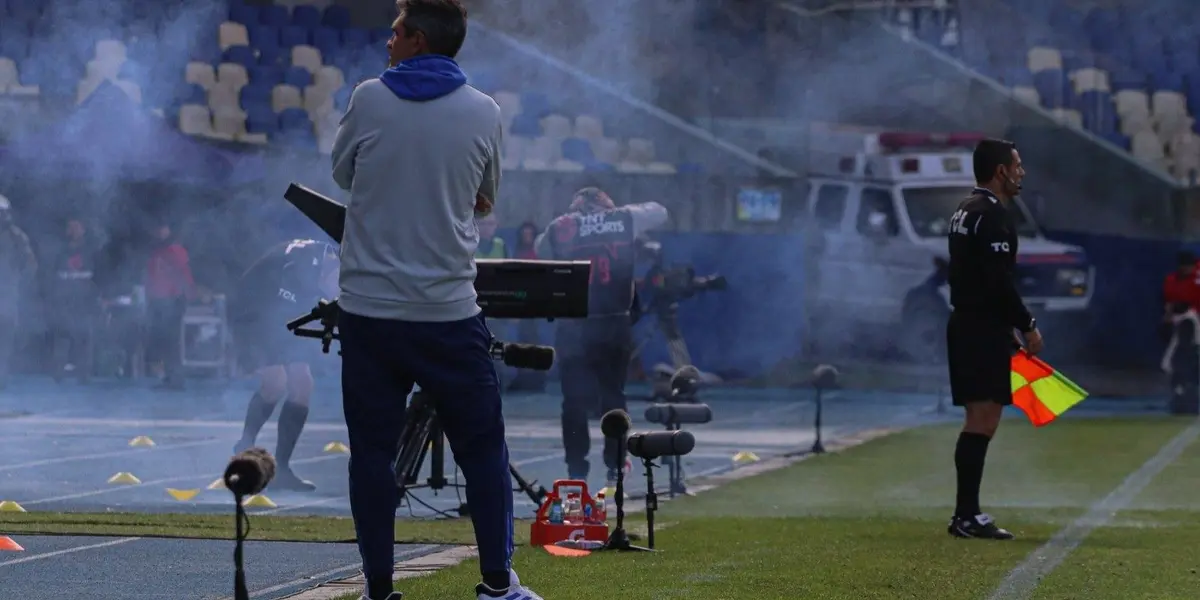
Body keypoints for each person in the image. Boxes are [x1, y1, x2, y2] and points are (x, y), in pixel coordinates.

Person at [330, 2, 541, 599]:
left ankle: (377, 589)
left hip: (370, 311)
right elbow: (485, 196)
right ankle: (498, 586)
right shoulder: (484, 110)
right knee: (483, 451)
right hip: (448, 312)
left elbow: (343, 174)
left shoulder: (369, 97)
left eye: (396, 31)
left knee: (371, 453)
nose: (388, 39)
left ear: (418, 39)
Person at [534, 187, 669, 484]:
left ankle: (576, 468)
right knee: (613, 396)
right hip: (613, 322)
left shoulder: (561, 226)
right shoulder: (623, 218)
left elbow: (541, 249)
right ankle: (616, 462)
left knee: (573, 401)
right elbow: (660, 210)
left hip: (574, 325)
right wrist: (618, 215)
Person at [945, 138, 1042, 540]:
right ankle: (966, 515)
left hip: (971, 325)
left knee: (981, 418)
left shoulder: (965, 210)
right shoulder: (992, 215)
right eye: (1017, 165)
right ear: (1000, 171)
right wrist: (1026, 323)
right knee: (982, 419)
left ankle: (966, 513)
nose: (1021, 172)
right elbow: (997, 281)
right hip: (979, 328)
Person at [228, 239, 341, 492]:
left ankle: (282, 468)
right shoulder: (305, 261)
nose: (335, 288)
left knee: (302, 384)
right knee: (275, 381)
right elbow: (282, 301)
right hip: (251, 313)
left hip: (277, 315)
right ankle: (245, 446)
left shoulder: (320, 259)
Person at [48, 218, 101, 383]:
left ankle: (84, 375)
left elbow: (98, 276)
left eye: (76, 227)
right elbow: (53, 276)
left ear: (83, 230)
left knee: (84, 338)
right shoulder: (61, 252)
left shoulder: (91, 251)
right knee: (62, 338)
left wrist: (97, 297)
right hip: (64, 301)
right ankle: (57, 374)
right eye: (70, 227)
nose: (73, 231)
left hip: (84, 302)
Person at [144, 221, 193, 390]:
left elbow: (184, 275)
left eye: (163, 229)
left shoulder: (176, 251)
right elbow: (151, 277)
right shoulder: (156, 252)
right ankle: (169, 376)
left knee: (172, 341)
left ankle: (176, 378)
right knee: (162, 341)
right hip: (158, 301)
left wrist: (183, 297)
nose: (160, 233)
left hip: (172, 300)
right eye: (158, 229)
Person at [0, 194, 36, 389]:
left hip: (6, 296)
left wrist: (14, 281)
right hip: (8, 296)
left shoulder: (16, 236)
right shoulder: (17, 236)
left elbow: (30, 265)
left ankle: (1, 377)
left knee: (4, 340)